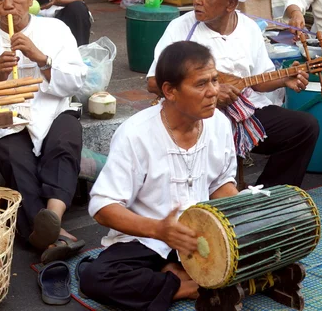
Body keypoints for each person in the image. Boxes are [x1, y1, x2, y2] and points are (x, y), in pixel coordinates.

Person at [80, 41, 239, 310]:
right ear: (170, 91)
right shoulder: (136, 134)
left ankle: (176, 273)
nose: (214, 92)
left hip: (201, 238)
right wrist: (159, 230)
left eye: (215, 80)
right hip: (147, 240)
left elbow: (221, 182)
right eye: (201, 84)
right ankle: (179, 284)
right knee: (97, 277)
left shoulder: (219, 123)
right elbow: (102, 207)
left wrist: (239, 220)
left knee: (268, 247)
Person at [146, 0, 319, 188]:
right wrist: (210, 91)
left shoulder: (248, 29)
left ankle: (269, 197)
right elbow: (153, 82)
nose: (197, 0)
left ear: (230, 4)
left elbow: (258, 81)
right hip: (199, 114)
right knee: (216, 129)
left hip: (246, 111)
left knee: (304, 127)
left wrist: (282, 79)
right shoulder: (181, 28)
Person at [0, 0, 88, 262]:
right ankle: (56, 236)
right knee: (16, 159)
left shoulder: (55, 30)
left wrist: (41, 59)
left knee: (65, 140)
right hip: (7, 123)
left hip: (54, 111)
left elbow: (76, 82)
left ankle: (52, 217)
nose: (8, 5)